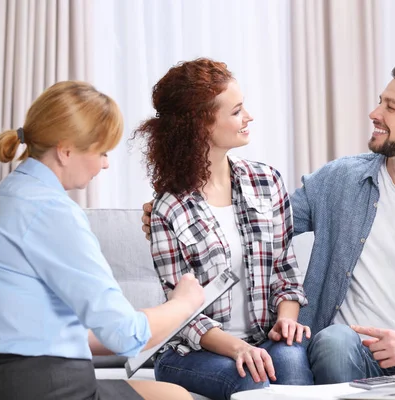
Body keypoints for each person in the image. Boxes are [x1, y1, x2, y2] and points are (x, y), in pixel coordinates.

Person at [142, 59, 395, 387]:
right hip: (353, 349)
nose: (374, 113)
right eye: (380, 102)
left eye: (390, 108)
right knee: (331, 342)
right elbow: (265, 226)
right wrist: (170, 213)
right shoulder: (338, 180)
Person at [0, 81, 205, 400]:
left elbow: (38, 329)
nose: (105, 163)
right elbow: (126, 335)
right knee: (177, 397)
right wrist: (183, 304)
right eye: (101, 151)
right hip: (43, 387)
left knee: (166, 392)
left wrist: (145, 321)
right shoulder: (52, 211)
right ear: (66, 149)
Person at [134, 58, 313, 400]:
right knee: (250, 380)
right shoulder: (168, 208)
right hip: (192, 351)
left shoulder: (267, 181)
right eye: (237, 111)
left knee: (291, 365)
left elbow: (285, 272)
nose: (249, 117)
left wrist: (287, 319)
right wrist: (235, 348)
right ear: (201, 124)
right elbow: (181, 313)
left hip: (265, 337)